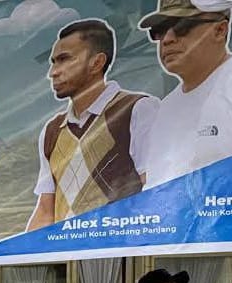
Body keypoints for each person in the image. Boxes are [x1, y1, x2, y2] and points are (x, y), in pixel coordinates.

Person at [28, 19, 158, 229]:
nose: (53, 72)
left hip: (119, 252)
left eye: (64, 60)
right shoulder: (52, 130)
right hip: (65, 254)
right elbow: (45, 211)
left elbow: (155, 189)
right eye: (53, 62)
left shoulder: (138, 109)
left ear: (97, 63)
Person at [140, 1, 232, 189]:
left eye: (182, 26)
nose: (167, 39)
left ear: (220, 30)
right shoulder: (165, 109)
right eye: (160, 30)